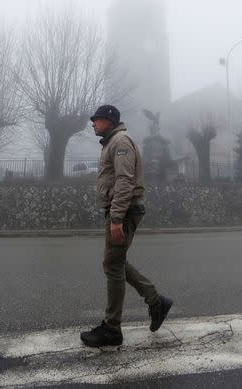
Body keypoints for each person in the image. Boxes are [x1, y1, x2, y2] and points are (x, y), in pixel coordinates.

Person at [80, 104, 173, 348]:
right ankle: (155, 301)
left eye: (97, 119)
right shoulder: (113, 142)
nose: (93, 123)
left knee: (112, 264)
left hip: (124, 210)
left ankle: (112, 329)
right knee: (116, 261)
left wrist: (117, 217)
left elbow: (124, 181)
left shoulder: (120, 142)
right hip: (120, 209)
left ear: (109, 120)